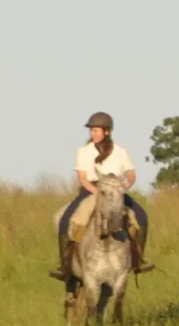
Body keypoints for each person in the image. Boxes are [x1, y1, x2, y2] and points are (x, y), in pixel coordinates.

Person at [52, 112, 153, 282]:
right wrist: (98, 192)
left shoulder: (120, 151)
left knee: (142, 217)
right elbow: (83, 178)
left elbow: (132, 174)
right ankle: (65, 266)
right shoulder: (83, 151)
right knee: (65, 221)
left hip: (116, 191)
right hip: (91, 190)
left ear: (107, 132)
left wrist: (126, 186)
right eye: (91, 130)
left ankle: (138, 261)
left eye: (96, 130)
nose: (93, 134)